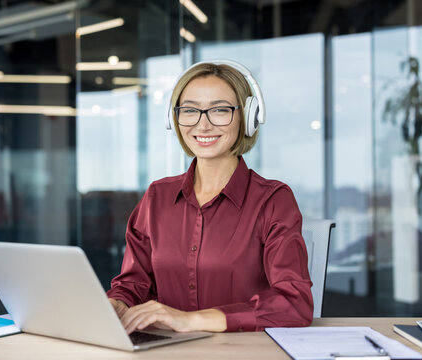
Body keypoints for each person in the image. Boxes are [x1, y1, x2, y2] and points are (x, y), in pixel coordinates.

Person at [106, 60, 313, 334]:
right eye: (190, 110)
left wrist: (191, 320)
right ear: (175, 119)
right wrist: (117, 303)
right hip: (167, 352)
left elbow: (294, 303)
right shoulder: (157, 197)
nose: (203, 125)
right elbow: (134, 284)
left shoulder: (274, 200)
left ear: (248, 117)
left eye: (219, 110)